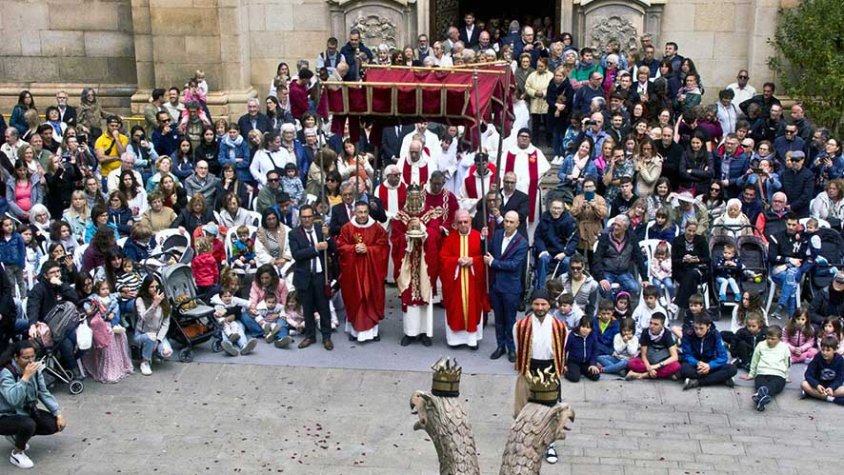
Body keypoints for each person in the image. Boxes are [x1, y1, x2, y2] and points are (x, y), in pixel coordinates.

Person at [512, 289, 568, 464]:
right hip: (529, 368)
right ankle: (525, 441)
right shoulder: (520, 325)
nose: (540, 307)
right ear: (532, 305)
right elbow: (518, 348)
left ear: (549, 305)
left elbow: (562, 350)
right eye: (536, 304)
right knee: (524, 407)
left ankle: (550, 444)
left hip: (550, 369)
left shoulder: (560, 326)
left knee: (551, 408)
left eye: (543, 304)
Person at [0, 340, 67, 469]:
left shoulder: (35, 370)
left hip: (24, 411)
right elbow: (13, 399)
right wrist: (25, 378)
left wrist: (58, 413)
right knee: (28, 424)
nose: (30, 361)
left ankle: (17, 436)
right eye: (26, 358)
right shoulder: (6, 373)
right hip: (5, 415)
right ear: (16, 357)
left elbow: (43, 392)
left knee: (53, 425)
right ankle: (17, 454)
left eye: (32, 357)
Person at [337, 201, 389, 343]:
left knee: (371, 298)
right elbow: (340, 246)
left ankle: (373, 332)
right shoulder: (347, 228)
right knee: (355, 298)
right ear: (354, 212)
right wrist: (353, 249)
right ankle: (354, 331)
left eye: (365, 212)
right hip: (353, 271)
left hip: (371, 272)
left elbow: (383, 247)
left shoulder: (377, 228)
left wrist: (369, 250)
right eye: (359, 212)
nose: (362, 215)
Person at [439, 209, 487, 349]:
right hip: (456, 284)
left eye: (466, 222)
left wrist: (473, 261)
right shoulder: (450, 239)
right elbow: (443, 259)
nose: (463, 225)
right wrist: (457, 261)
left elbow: (485, 258)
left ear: (470, 221)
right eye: (460, 222)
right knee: (456, 309)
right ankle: (455, 340)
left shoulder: (479, 237)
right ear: (455, 223)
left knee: (473, 308)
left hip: (473, 282)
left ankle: (472, 340)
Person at [289, 205, 335, 351]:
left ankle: (326, 337)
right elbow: (297, 254)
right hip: (304, 276)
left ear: (313, 217)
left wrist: (328, 237)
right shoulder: (294, 234)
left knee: (324, 308)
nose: (307, 219)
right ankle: (310, 336)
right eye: (304, 217)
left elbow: (333, 249)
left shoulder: (321, 229)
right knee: (307, 308)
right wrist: (315, 249)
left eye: (309, 216)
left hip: (321, 276)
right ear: (300, 218)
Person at [486, 211, 529, 362]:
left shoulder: (522, 242)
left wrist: (493, 263)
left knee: (510, 320)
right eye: (506, 221)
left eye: (511, 222)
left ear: (517, 224)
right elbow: (487, 250)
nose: (508, 224)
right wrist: (483, 238)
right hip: (496, 285)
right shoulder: (498, 235)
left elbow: (514, 265)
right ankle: (500, 346)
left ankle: (512, 348)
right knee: (498, 319)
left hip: (511, 288)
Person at [592, 214, 647, 298]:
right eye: (614, 224)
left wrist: (645, 278)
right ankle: (614, 303)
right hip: (607, 272)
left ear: (625, 228)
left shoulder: (631, 238)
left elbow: (639, 257)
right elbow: (597, 259)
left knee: (635, 288)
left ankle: (620, 300)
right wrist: (601, 278)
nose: (615, 227)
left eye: (619, 225)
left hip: (623, 272)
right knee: (605, 289)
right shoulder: (605, 237)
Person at [680, 313, 738, 390]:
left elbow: (723, 357)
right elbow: (687, 355)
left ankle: (697, 382)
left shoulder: (715, 334)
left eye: (701, 328)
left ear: (708, 326)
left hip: (711, 362)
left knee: (732, 369)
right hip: (695, 363)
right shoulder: (688, 334)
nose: (698, 331)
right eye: (696, 328)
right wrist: (697, 363)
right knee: (684, 370)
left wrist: (709, 366)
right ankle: (720, 378)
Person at [740, 325, 791, 411]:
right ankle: (762, 396)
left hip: (778, 373)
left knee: (775, 385)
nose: (770, 341)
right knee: (760, 385)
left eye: (773, 339)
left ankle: (760, 397)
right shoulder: (761, 345)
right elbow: (755, 360)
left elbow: (788, 362)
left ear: (779, 338)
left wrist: (786, 376)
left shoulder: (784, 347)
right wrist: (751, 374)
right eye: (768, 338)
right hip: (762, 372)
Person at [533, 198, 578, 286]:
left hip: (563, 252)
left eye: (558, 208)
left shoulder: (569, 221)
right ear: (550, 208)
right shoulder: (544, 219)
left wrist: (565, 253)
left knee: (566, 262)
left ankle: (561, 287)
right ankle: (541, 288)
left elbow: (574, 240)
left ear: (563, 209)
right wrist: (542, 250)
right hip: (547, 251)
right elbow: (538, 237)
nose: (556, 211)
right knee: (542, 259)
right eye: (554, 208)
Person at [133, 276, 172, 376]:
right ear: (146, 287)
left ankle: (154, 354)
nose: (154, 289)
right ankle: (145, 361)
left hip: (157, 334)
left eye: (156, 286)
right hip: (142, 334)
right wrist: (154, 305)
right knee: (151, 337)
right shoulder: (140, 300)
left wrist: (158, 340)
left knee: (167, 352)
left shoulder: (164, 300)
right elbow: (144, 317)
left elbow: (165, 323)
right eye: (151, 287)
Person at [626, 312, 681, 380]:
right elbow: (643, 355)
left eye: (656, 324)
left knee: (676, 366)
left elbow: (675, 357)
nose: (652, 326)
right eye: (651, 323)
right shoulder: (645, 332)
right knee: (631, 363)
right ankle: (663, 374)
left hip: (661, 362)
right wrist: (649, 368)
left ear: (662, 325)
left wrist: (656, 366)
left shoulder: (667, 334)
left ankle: (642, 375)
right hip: (648, 361)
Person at [801, 335, 844, 404]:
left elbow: (840, 379)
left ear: (835, 350)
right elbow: (808, 375)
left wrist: (832, 387)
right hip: (818, 385)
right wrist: (817, 385)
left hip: (832, 387)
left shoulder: (840, 360)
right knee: (804, 384)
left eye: (828, 350)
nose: (824, 353)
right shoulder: (817, 357)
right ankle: (830, 398)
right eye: (823, 350)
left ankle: (813, 395)